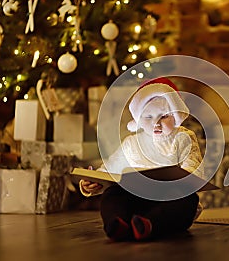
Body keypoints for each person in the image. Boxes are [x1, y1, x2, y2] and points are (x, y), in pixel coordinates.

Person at [79, 77, 204, 241]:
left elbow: (193, 170)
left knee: (188, 198)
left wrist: (179, 181)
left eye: (164, 116)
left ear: (176, 115)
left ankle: (150, 224)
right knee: (112, 193)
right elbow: (109, 170)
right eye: (148, 117)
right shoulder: (132, 143)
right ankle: (117, 223)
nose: (156, 123)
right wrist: (93, 182)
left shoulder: (183, 138)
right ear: (138, 119)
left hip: (167, 201)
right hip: (137, 202)